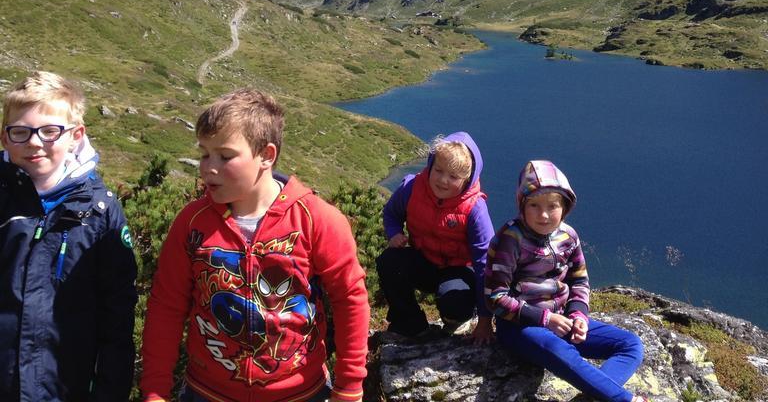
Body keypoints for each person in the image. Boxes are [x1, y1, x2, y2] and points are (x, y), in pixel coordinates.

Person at [140, 88, 370, 402]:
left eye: (225, 155)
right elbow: (166, 307)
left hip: (301, 394)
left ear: (266, 155)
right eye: (204, 153)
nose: (209, 167)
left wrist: (349, 387)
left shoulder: (317, 220)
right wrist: (155, 391)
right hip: (207, 393)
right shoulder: (192, 223)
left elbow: (350, 300)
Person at [0, 71, 138, 402]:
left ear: (76, 135)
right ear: (5, 138)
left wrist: (110, 392)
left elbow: (116, 318)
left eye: (49, 131)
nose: (34, 142)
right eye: (21, 132)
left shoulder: (100, 210)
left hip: (65, 389)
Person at [485, 159, 648, 402]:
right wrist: (545, 319)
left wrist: (579, 315)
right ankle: (623, 399)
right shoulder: (511, 238)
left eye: (553, 206)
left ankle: (597, 395)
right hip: (520, 326)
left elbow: (579, 281)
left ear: (565, 205)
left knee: (630, 345)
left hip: (562, 318)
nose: (543, 215)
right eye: (534, 205)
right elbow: (495, 298)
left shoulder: (568, 235)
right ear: (522, 205)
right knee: (560, 350)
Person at [376, 131, 494, 343]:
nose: (443, 180)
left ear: (468, 178)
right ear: (430, 164)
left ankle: (457, 320)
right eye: (438, 170)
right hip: (425, 261)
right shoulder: (412, 188)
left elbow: (486, 264)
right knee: (389, 261)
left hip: (459, 270)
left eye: (453, 176)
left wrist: (486, 320)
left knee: (455, 303)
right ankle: (410, 324)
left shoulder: (475, 208)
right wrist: (394, 234)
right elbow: (391, 213)